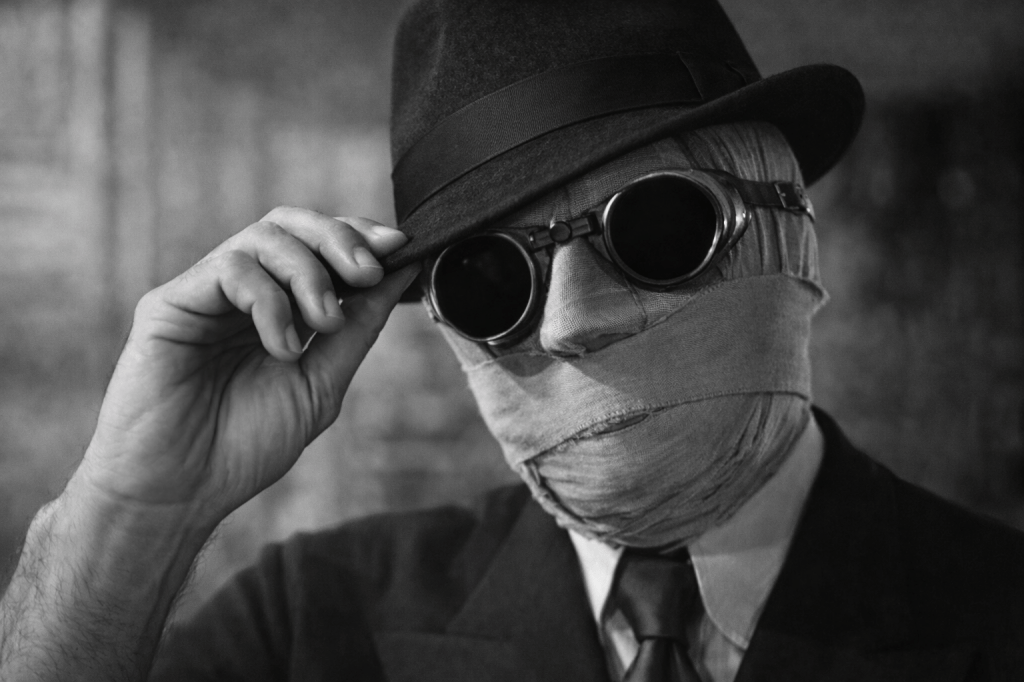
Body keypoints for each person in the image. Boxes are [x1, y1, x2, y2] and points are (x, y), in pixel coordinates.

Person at [2, 0, 1023, 680]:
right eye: (491, 281)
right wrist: (132, 514)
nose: (571, 323)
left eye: (659, 230)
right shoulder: (309, 625)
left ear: (789, 232)